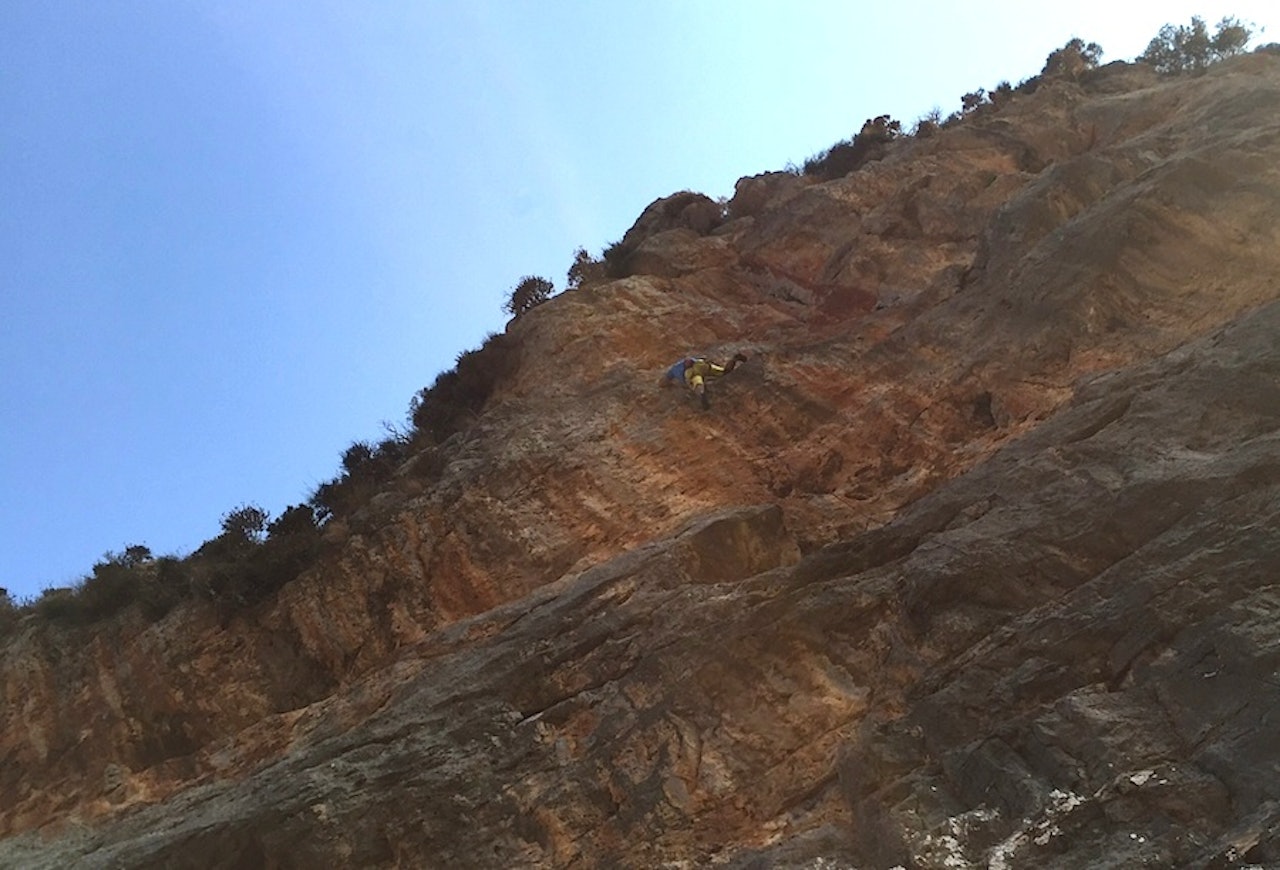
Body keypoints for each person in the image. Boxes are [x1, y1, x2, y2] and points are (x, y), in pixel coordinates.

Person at [660, 352, 748, 410]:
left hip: (691, 372)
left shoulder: (673, 371)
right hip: (700, 364)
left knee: (697, 382)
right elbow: (691, 360)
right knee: (724, 372)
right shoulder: (681, 364)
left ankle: (702, 395)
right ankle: (734, 359)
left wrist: (666, 384)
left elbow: (665, 381)